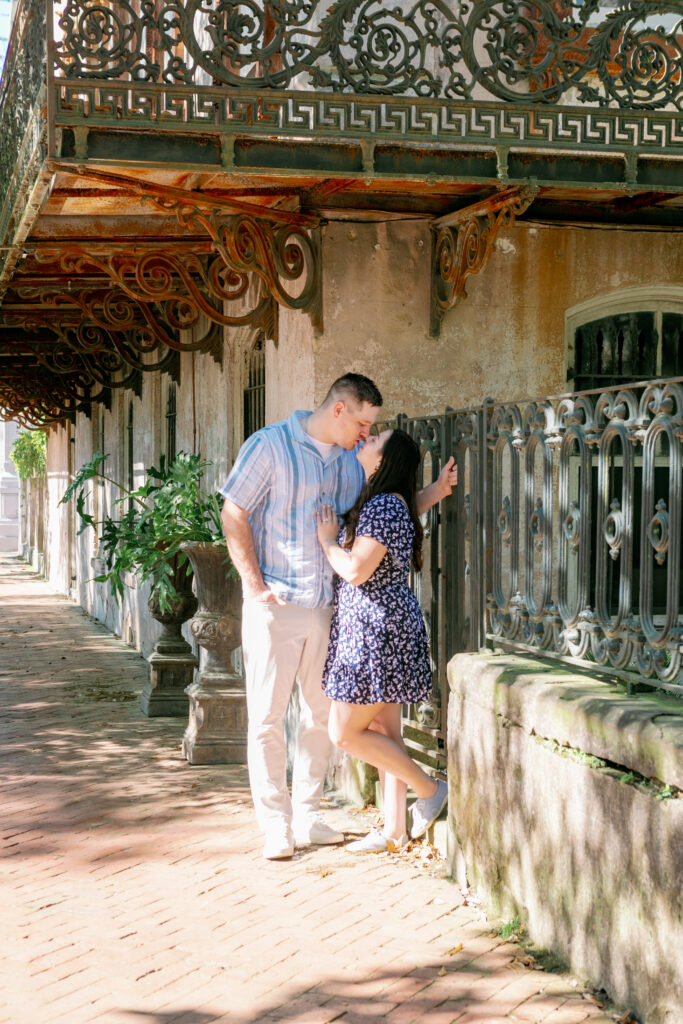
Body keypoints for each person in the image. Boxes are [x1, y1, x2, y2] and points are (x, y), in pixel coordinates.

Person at [221, 373, 456, 860]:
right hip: (275, 604)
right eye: (364, 423)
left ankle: (307, 815)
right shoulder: (269, 446)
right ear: (339, 411)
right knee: (266, 718)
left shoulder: (351, 465)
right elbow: (234, 512)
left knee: (319, 716)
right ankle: (276, 825)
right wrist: (254, 586)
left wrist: (432, 492)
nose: (366, 435)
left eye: (373, 431)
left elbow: (387, 512)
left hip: (329, 608)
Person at [316, 428, 449, 852]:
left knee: (344, 732)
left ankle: (429, 790)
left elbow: (356, 569)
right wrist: (436, 490)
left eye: (376, 439)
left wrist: (325, 541)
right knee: (384, 732)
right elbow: (405, 513)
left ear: (384, 460)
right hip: (380, 627)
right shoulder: (390, 505)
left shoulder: (384, 507)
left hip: (378, 632)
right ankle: (394, 829)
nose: (367, 438)